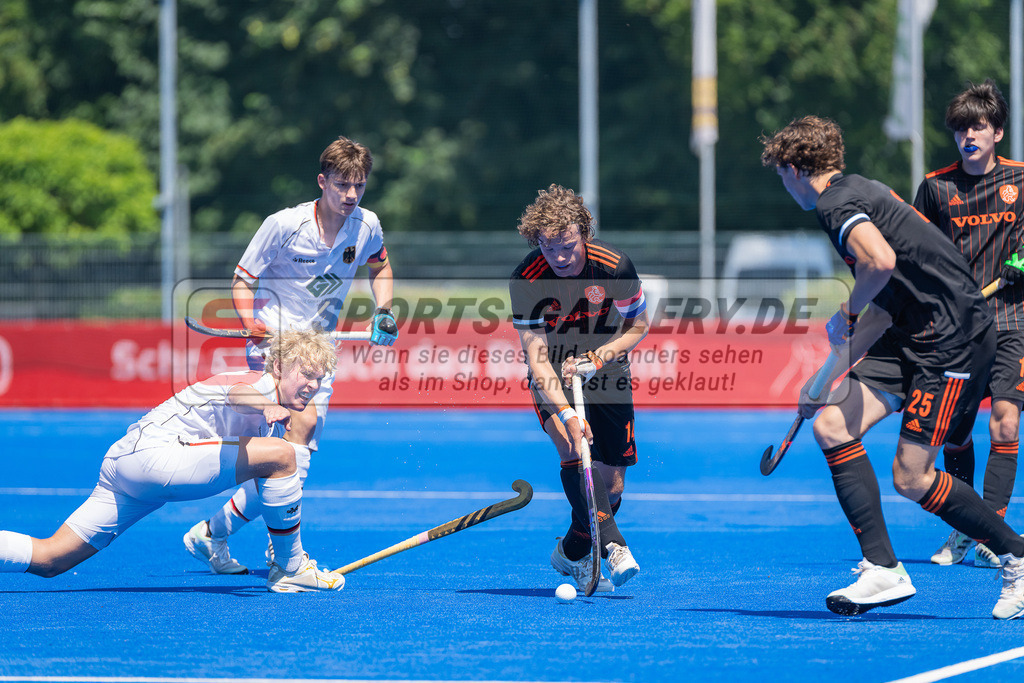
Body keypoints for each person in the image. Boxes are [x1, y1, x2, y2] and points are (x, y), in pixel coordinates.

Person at [761, 115, 1024, 619]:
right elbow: (882, 305)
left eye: (781, 174)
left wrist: (846, 309)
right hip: (912, 333)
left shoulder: (836, 204)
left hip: (952, 340)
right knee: (832, 423)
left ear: (795, 169)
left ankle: (1015, 552)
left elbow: (877, 265)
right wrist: (820, 382)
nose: (784, 185)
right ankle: (883, 569)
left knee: (912, 475)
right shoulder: (859, 190)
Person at [184, 135, 398, 575]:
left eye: (359, 185)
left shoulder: (367, 225)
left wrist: (384, 311)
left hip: (321, 349)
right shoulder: (283, 225)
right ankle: (282, 550)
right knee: (297, 434)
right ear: (322, 181)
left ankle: (214, 532)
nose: (351, 195)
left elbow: (381, 267)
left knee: (291, 453)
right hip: (276, 346)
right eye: (342, 184)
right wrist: (250, 321)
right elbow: (243, 280)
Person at [0, 330, 344, 593]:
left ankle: (235, 546)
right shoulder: (260, 386)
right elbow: (238, 394)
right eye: (306, 374)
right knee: (283, 455)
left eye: (319, 379)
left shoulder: (272, 402)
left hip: (126, 465)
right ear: (280, 366)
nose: (312, 386)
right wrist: (266, 406)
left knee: (51, 559)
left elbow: (270, 486)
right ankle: (290, 568)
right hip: (154, 456)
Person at [509, 184, 648, 592]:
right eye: (549, 249)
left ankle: (572, 550)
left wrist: (601, 356)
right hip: (553, 367)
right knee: (573, 446)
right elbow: (536, 358)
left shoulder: (614, 267)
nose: (560, 258)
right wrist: (567, 413)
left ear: (584, 232)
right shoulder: (527, 278)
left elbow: (637, 326)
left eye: (568, 246)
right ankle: (615, 546)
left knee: (612, 484)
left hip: (606, 364)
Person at [913, 79, 1024, 569]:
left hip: (1012, 318)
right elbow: (913, 250)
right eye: (961, 129)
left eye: (978, 126)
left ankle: (991, 535)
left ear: (997, 131)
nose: (969, 136)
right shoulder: (935, 188)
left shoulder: (1022, 180)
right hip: (957, 329)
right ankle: (964, 530)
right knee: (955, 435)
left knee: (1005, 418)